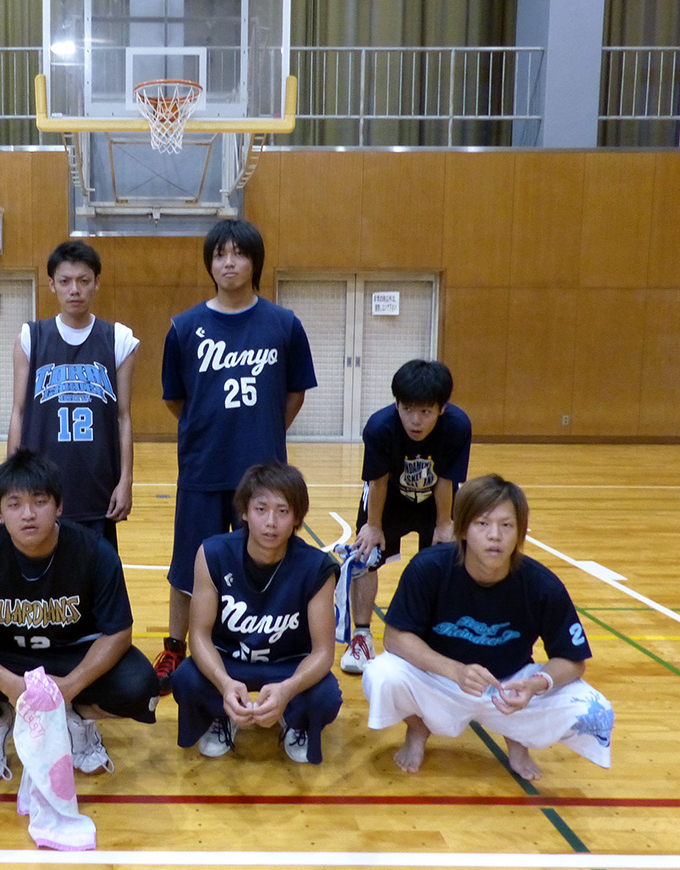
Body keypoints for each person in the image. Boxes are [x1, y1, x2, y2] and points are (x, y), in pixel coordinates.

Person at [0, 449, 157, 785]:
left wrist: (70, 687)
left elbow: (118, 633)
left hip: (71, 653)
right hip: (3, 655)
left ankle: (78, 721)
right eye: (14, 504)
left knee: (140, 686)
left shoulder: (94, 552)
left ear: (59, 506)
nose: (28, 514)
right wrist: (8, 685)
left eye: (39, 502)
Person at [361, 474, 614, 779]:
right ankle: (418, 729)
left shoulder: (542, 585)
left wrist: (534, 685)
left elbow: (573, 661)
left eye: (506, 525)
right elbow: (395, 638)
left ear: (519, 532)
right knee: (381, 675)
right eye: (482, 524)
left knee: (595, 710)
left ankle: (518, 738)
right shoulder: (429, 568)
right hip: (441, 681)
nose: (495, 535)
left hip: (509, 687)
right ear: (462, 529)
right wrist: (455, 671)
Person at [156, 218, 317, 695]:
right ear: (210, 264)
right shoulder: (184, 328)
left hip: (264, 474)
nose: (229, 262)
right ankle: (175, 646)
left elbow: (294, 394)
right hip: (203, 467)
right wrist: (210, 429)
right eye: (220, 254)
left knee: (262, 561)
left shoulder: (283, 325)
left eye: (239, 253)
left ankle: (255, 645)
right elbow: (176, 400)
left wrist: (261, 431)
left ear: (255, 263)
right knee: (189, 563)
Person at [172, 463, 342, 764]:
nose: (271, 522)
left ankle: (294, 719)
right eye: (261, 509)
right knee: (186, 678)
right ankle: (222, 713)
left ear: (297, 518)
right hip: (230, 661)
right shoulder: (213, 554)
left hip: (287, 666)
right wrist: (223, 683)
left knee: (326, 696)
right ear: (244, 512)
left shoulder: (317, 566)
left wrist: (288, 689)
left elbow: (323, 653)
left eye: (283, 511)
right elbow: (198, 635)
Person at [341, 359, 471, 674]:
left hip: (436, 500)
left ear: (442, 408)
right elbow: (377, 481)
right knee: (365, 555)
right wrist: (373, 526)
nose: (415, 420)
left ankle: (434, 635)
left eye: (425, 411)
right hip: (389, 499)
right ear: (396, 404)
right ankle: (361, 637)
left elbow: (446, 478)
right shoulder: (380, 427)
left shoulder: (457, 426)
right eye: (407, 409)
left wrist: (444, 524)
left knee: (446, 559)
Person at [7, 240, 138, 549]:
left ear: (97, 283)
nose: (74, 290)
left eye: (83, 280)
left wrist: (126, 481)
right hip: (41, 486)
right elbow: (19, 412)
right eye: (65, 281)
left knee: (97, 572)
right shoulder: (31, 338)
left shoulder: (119, 339)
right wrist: (11, 480)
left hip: (98, 486)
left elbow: (123, 417)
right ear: (52, 285)